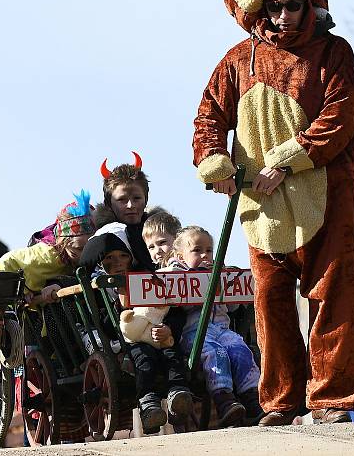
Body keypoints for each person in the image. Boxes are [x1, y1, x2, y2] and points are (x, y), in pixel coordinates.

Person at [193, 0, 354, 426]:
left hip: (325, 194)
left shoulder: (334, 52)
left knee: (334, 296)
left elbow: (340, 116)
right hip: (261, 207)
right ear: (258, 10)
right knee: (270, 304)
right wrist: (215, 163)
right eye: (274, 7)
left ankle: (331, 399)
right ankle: (281, 401)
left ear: (307, 1)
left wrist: (286, 160)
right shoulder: (237, 60)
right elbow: (209, 117)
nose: (284, 15)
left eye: (292, 4)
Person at [80, 226, 194, 435]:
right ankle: (148, 403)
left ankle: (178, 394)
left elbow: (175, 311)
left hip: (161, 335)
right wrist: (121, 308)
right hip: (131, 341)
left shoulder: (149, 279)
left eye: (124, 256)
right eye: (109, 258)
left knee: (173, 355)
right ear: (99, 263)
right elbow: (105, 324)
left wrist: (168, 329)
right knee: (144, 359)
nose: (118, 263)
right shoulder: (100, 290)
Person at [0, 190, 96, 341]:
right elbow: (11, 261)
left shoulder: (84, 260)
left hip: (30, 304)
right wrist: (20, 290)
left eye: (88, 248)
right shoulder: (44, 255)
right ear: (63, 243)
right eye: (78, 248)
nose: (84, 254)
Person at [168, 226, 262, 427]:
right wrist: (199, 280)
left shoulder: (220, 272)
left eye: (209, 250)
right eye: (197, 250)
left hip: (222, 329)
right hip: (195, 333)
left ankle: (252, 396)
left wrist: (227, 282)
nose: (205, 255)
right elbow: (178, 307)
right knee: (215, 353)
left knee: (240, 349)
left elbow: (233, 305)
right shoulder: (177, 276)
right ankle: (224, 399)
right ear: (181, 256)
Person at [95, 153, 156, 270]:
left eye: (137, 198)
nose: (130, 205)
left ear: (146, 199)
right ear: (108, 203)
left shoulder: (161, 231)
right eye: (122, 200)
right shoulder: (99, 235)